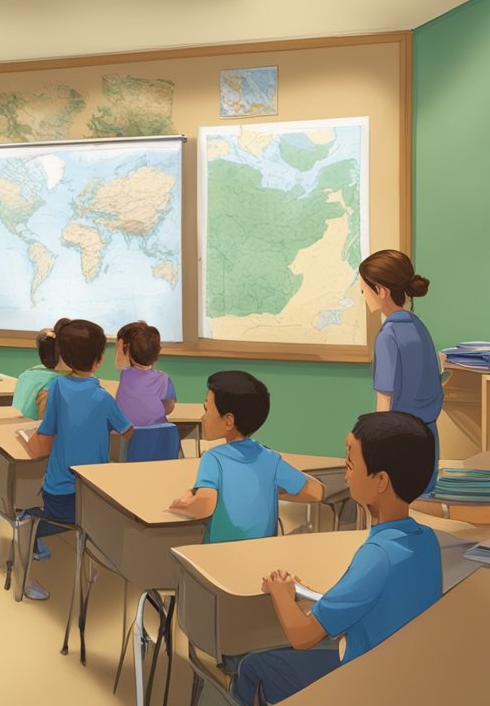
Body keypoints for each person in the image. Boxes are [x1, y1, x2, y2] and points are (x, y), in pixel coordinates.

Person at [232, 412, 441, 705]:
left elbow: (302, 637)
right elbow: (372, 607)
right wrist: (309, 602)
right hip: (403, 681)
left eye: (350, 465)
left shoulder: (377, 556)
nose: (346, 475)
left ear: (380, 481)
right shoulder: (427, 540)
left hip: (362, 684)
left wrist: (281, 592)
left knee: (252, 667)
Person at [22, 319, 133, 597]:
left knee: (60, 518)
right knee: (93, 521)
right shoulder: (104, 398)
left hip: (58, 491)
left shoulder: (57, 388)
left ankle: (31, 524)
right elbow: (128, 432)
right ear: (100, 360)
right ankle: (34, 526)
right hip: (95, 494)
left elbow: (46, 433)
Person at [170, 371, 323, 542]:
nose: (202, 417)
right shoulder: (270, 459)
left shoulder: (213, 458)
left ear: (228, 421)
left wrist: (181, 505)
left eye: (207, 409)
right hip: (262, 557)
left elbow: (204, 505)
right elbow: (316, 492)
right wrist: (268, 490)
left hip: (218, 558)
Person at [359, 249, 442, 495]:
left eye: (364, 289)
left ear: (381, 291)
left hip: (399, 437)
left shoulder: (388, 336)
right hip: (429, 436)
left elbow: (385, 398)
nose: (362, 295)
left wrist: (374, 445)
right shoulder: (418, 327)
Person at [114, 320, 176, 426]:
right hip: (158, 434)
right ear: (158, 351)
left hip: (129, 436)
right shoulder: (164, 378)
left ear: (128, 350)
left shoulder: (124, 374)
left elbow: (119, 362)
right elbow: (169, 408)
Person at [13, 324, 68, 421]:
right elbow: (46, 425)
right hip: (32, 431)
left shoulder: (29, 373)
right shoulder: (55, 384)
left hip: (12, 427)